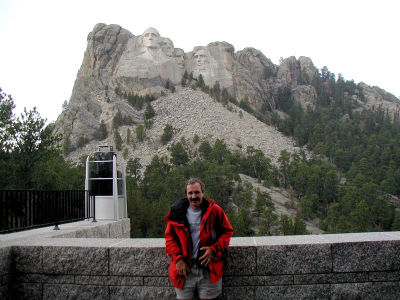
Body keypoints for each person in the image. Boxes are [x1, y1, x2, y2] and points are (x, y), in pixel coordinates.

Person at [165, 178, 233, 300]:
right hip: (185, 269)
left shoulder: (214, 210)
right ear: (186, 195)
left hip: (209, 269)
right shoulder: (177, 212)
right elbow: (170, 237)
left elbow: (227, 232)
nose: (193, 196)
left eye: (197, 192)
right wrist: (178, 259)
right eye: (190, 193)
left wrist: (214, 249)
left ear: (203, 193)